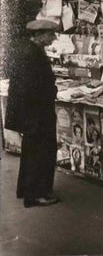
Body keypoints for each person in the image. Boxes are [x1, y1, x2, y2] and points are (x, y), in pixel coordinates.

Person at [5, 18, 60, 207]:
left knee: (31, 152)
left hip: (32, 114)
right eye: (50, 34)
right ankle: (37, 194)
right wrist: (50, 92)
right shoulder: (32, 54)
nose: (53, 38)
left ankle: (27, 190)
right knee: (41, 152)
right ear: (39, 35)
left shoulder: (30, 50)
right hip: (37, 114)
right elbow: (30, 87)